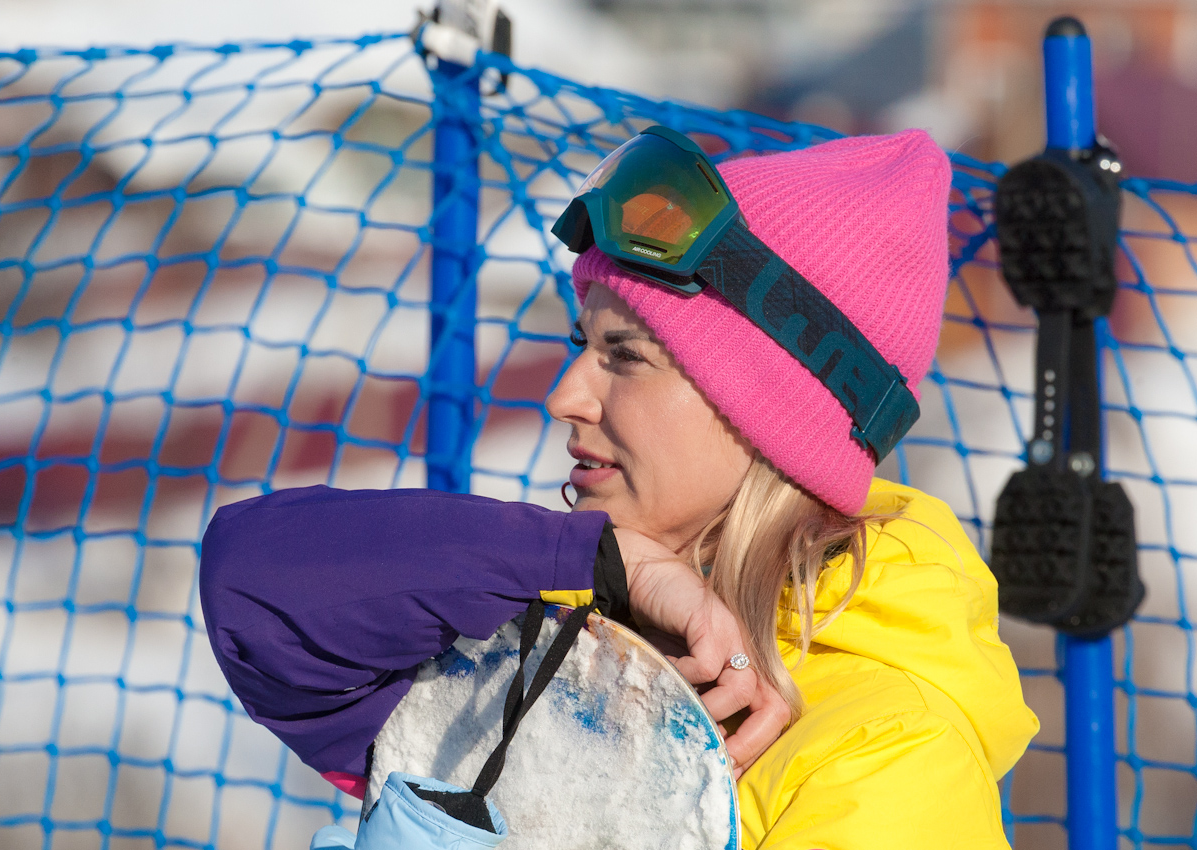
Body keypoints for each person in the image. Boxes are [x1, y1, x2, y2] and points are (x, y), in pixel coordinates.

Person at [199, 127, 1039, 849]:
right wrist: (604, 562)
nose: (566, 395)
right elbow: (251, 585)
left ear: (768, 416)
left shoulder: (888, 753)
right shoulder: (559, 626)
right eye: (582, 344)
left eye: (625, 356)